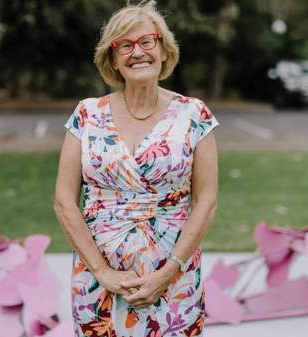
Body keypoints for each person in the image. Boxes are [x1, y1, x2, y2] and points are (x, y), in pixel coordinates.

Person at [54, 2, 219, 336]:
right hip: (98, 276)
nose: (137, 52)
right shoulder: (87, 114)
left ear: (162, 48)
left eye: (147, 41)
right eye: (125, 46)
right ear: (113, 59)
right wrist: (103, 272)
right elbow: (63, 201)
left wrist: (167, 273)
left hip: (174, 275)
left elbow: (206, 202)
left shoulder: (194, 115)